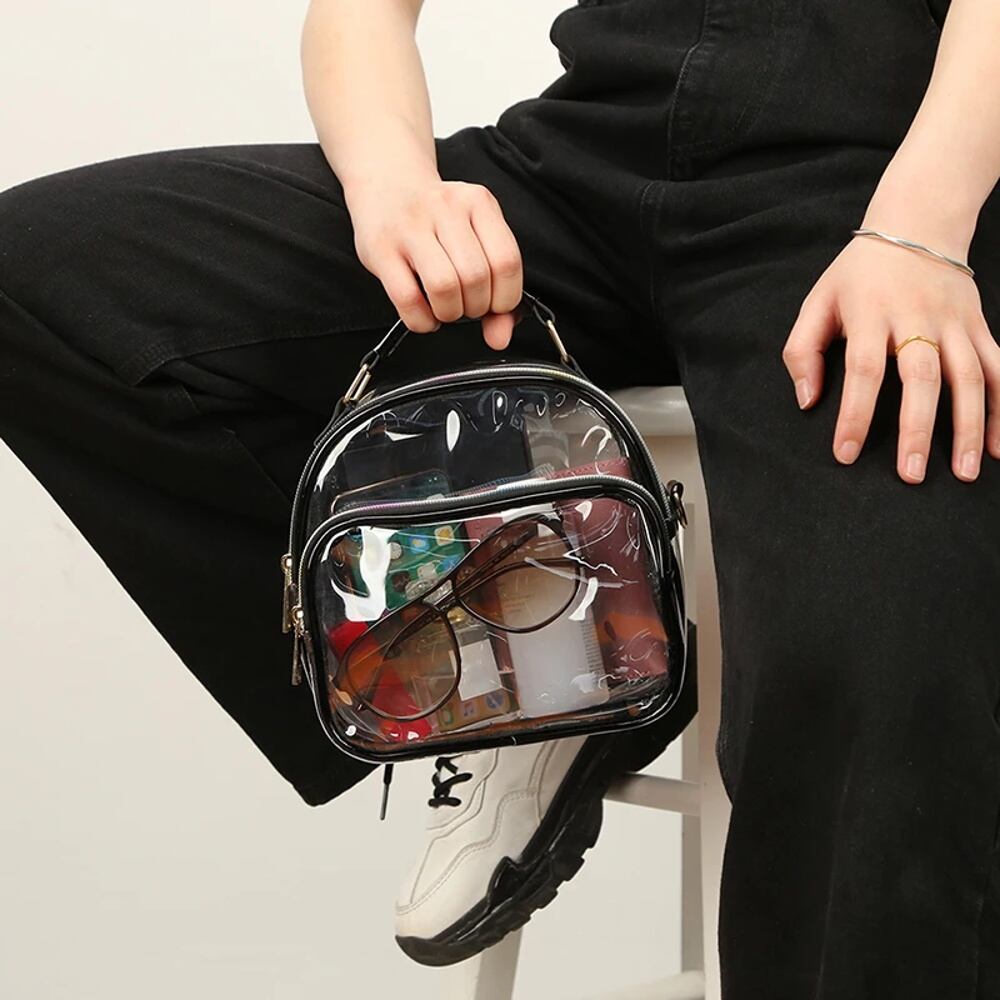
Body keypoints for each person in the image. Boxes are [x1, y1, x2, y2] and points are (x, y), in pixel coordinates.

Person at [1, 0, 999, 994]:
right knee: (43, 277)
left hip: (869, 196)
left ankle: (577, 654)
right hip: (583, 166)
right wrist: (396, 189)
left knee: (887, 660)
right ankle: (534, 654)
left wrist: (921, 231)